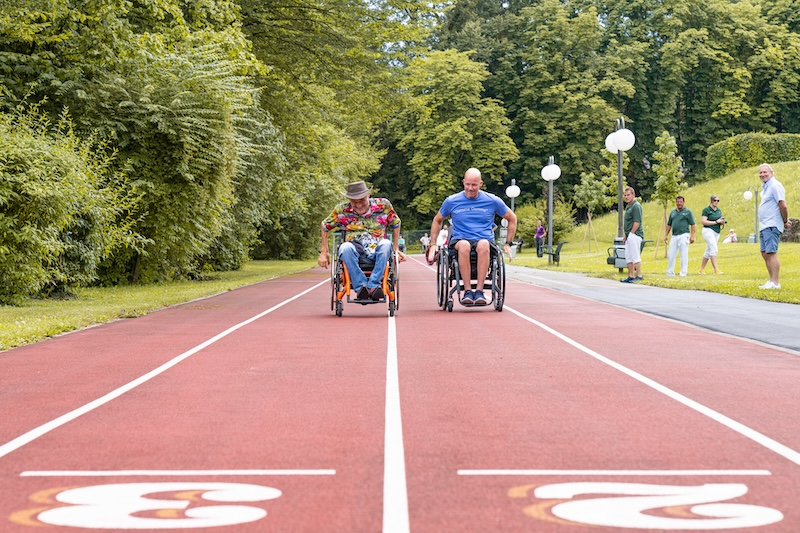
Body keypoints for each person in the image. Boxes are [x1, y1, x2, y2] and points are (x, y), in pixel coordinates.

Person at [428, 168, 517, 305]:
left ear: (480, 184)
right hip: (460, 239)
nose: (470, 188)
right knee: (464, 245)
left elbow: (512, 218)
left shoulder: (492, 200)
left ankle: (479, 291)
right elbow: (437, 220)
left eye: (474, 185)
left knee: (483, 244)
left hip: (484, 239)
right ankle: (468, 291)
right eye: (467, 184)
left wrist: (508, 243)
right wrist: (433, 243)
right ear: (463, 182)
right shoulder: (452, 201)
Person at [318, 181, 406, 300]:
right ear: (349, 199)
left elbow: (396, 223)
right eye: (354, 201)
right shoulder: (341, 210)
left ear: (368, 196)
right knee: (344, 247)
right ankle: (361, 287)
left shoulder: (383, 205)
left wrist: (395, 248)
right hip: (355, 248)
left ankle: (373, 285)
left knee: (386, 244)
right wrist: (324, 252)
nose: (358, 205)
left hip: (378, 248)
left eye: (362, 200)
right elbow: (325, 226)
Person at [756, 163, 791, 289]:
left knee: (771, 252)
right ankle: (771, 281)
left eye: (765, 172)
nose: (762, 174)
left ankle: (775, 283)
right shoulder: (766, 187)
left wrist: (785, 220)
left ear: (772, 172)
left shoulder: (775, 186)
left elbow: (782, 205)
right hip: (764, 225)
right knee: (765, 253)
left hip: (772, 224)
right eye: (760, 172)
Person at [664, 195, 696, 277]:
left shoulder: (687, 212)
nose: (679, 203)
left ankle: (683, 272)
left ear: (683, 202)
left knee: (683, 254)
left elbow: (692, 224)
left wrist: (692, 236)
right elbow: (669, 224)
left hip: (684, 234)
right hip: (674, 235)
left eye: (680, 202)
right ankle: (670, 272)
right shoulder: (673, 212)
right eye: (677, 202)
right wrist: (666, 235)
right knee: (671, 254)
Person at [620, 186, 644, 283]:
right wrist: (626, 236)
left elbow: (637, 222)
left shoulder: (636, 206)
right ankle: (631, 275)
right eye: (625, 195)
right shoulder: (628, 206)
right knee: (628, 256)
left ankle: (639, 275)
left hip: (635, 235)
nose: (626, 197)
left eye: (628, 195)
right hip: (629, 235)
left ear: (633, 195)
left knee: (635, 255)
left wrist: (631, 233)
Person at [699, 194, 726, 275]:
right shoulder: (706, 210)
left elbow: (719, 219)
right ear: (711, 201)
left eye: (718, 200)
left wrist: (722, 222)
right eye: (715, 200)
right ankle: (716, 269)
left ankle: (701, 269)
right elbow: (703, 221)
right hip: (708, 230)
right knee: (714, 248)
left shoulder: (718, 210)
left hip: (716, 231)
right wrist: (716, 222)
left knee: (708, 250)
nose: (716, 202)